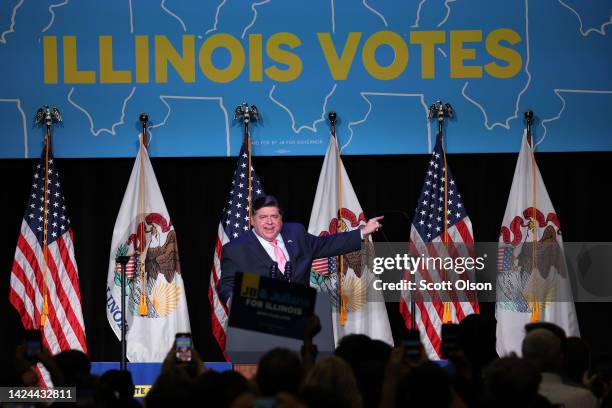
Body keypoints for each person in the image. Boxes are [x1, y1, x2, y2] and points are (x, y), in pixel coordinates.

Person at [219, 195, 382, 305]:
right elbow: (228, 286)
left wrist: (362, 232)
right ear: (253, 221)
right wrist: (237, 303)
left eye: (274, 217)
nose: (269, 222)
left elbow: (326, 244)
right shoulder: (235, 250)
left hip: (300, 315)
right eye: (263, 217)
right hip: (260, 322)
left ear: (281, 218)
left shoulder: (296, 233)